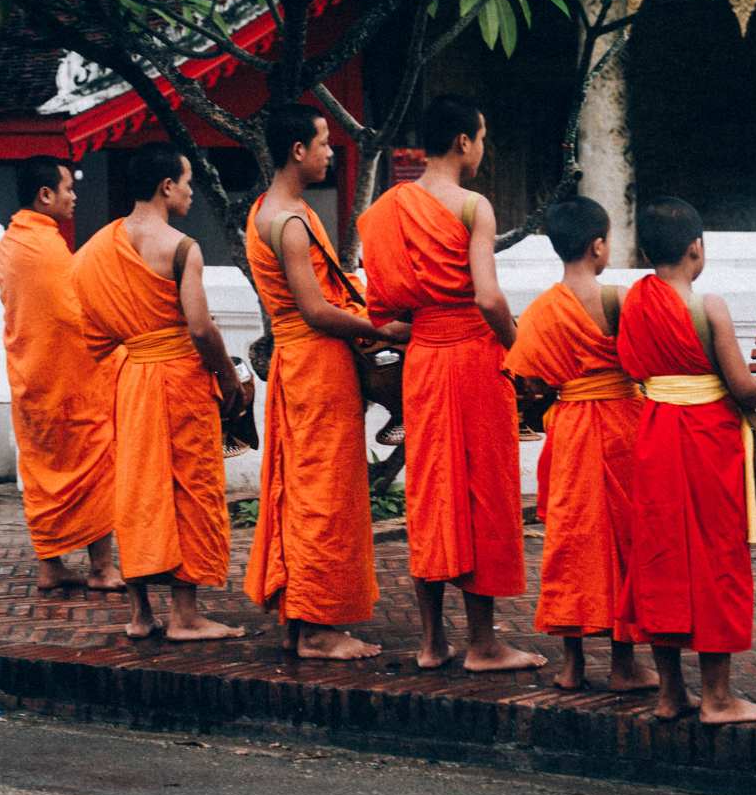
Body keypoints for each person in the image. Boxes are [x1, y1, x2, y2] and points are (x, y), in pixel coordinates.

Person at [357, 94, 542, 672]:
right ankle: (484, 644)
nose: (482, 150)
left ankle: (433, 642)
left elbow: (382, 305)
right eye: (482, 138)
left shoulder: (388, 207)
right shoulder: (472, 206)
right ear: (464, 141)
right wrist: (523, 349)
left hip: (423, 360)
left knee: (431, 493)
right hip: (473, 358)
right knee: (483, 491)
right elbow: (487, 296)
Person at [617, 195, 756, 724]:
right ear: (697, 249)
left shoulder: (635, 301)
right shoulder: (709, 307)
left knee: (662, 557)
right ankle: (718, 697)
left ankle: (671, 693)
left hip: (655, 435)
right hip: (706, 441)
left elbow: (633, 366)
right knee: (716, 558)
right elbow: (741, 386)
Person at [245, 104, 408, 660]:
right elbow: (315, 310)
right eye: (323, 143)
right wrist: (379, 328)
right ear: (297, 151)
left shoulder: (266, 212)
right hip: (315, 363)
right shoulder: (290, 221)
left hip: (301, 366)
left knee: (307, 490)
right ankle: (317, 629)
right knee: (325, 496)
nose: (331, 153)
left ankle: (302, 619)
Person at [71, 141, 245, 641]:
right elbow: (201, 329)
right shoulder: (181, 247)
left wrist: (134, 348)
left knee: (138, 489)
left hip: (131, 377)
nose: (191, 192)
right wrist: (228, 377)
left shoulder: (94, 251)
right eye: (188, 182)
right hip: (181, 377)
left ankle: (141, 615)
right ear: (167, 186)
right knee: (188, 490)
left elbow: (92, 333)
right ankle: (186, 617)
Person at [504, 195, 658, 693]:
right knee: (624, 544)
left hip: (569, 431)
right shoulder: (617, 299)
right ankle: (623, 664)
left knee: (569, 544)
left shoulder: (542, 310)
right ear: (598, 246)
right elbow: (642, 366)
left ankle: (571, 665)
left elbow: (527, 380)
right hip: (621, 426)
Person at [0, 154, 124, 594]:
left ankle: (50, 567)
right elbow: (75, 316)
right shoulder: (46, 246)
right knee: (93, 469)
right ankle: (102, 568)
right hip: (70, 383)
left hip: (31, 376)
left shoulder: (13, 240)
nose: (74, 197)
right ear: (45, 194)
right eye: (68, 189)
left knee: (41, 470)